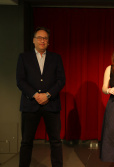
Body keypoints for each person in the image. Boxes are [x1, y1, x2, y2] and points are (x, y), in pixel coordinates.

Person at [16, 27, 65, 167]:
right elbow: (20, 81)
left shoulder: (56, 58)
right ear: (34, 40)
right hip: (30, 104)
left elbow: (61, 80)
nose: (42, 40)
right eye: (39, 38)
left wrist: (48, 95)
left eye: (45, 38)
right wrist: (35, 95)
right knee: (26, 141)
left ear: (48, 42)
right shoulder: (24, 57)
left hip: (51, 104)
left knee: (55, 141)